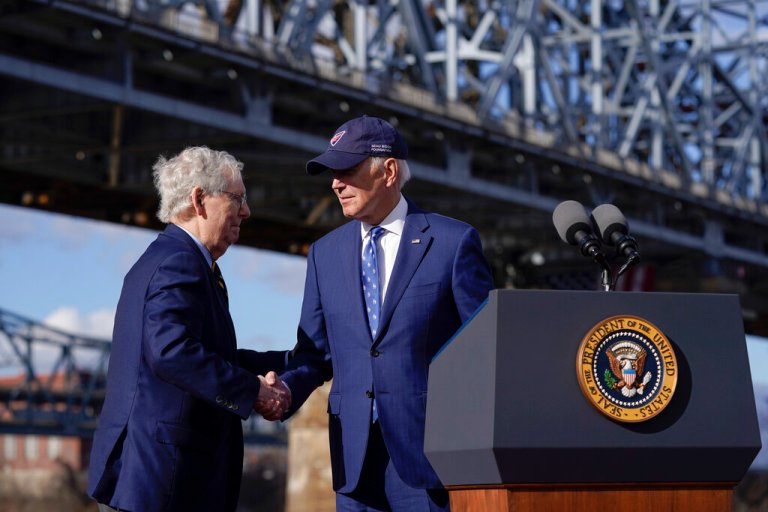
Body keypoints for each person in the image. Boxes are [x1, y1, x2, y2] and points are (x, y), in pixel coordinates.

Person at [280, 116, 495, 511]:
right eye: (332, 173)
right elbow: (315, 354)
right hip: (354, 466)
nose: (335, 183)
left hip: (429, 465)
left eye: (346, 169)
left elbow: (483, 354)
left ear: (389, 170)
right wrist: (284, 391)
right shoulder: (324, 254)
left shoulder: (453, 243)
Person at [87, 146, 291, 512]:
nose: (246, 211)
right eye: (237, 199)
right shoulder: (179, 263)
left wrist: (289, 363)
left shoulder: (176, 260)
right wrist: (253, 391)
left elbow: (208, 356)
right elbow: (173, 353)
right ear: (199, 200)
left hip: (157, 479)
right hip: (161, 481)